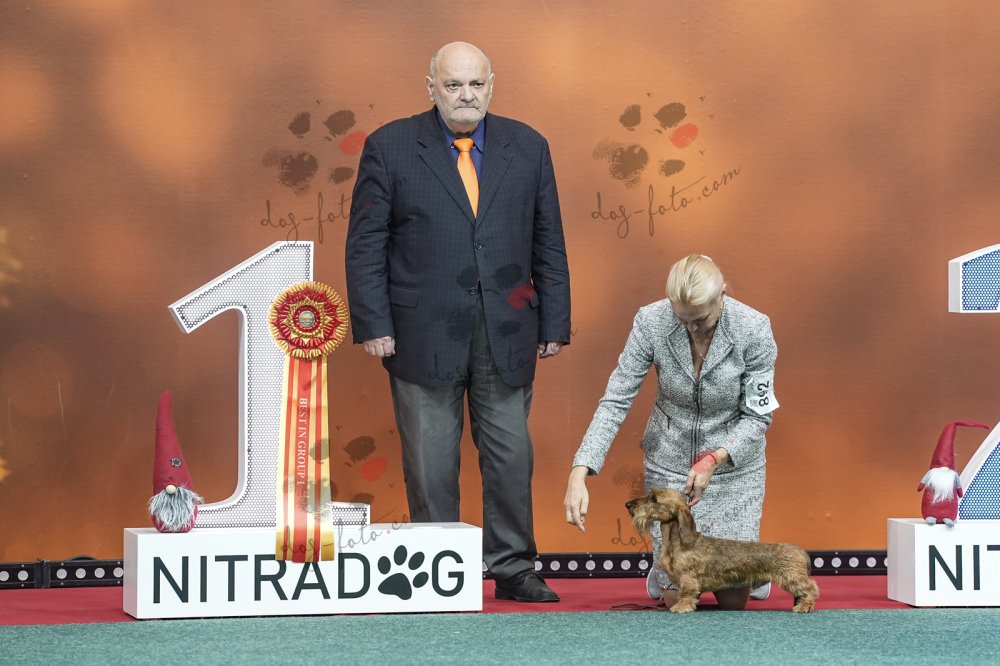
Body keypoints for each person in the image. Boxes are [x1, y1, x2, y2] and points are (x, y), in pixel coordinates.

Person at [345, 42, 571, 603]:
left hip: (508, 329)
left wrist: (554, 321)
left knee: (511, 456)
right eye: (453, 85)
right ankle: (436, 568)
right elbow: (366, 244)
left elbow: (548, 239)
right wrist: (373, 322)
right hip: (418, 333)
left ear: (492, 85)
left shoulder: (530, 145)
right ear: (431, 89)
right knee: (430, 461)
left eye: (475, 84)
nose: (466, 95)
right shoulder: (389, 147)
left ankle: (514, 568)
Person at [563, 254, 777, 609]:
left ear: (723, 294)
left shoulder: (754, 328)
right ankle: (662, 573)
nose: (691, 328)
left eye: (701, 320)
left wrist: (715, 459)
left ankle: (752, 576)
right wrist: (579, 471)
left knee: (732, 600)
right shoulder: (651, 321)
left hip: (733, 469)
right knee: (678, 594)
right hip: (670, 463)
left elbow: (758, 417)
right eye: (682, 319)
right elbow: (615, 399)